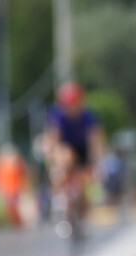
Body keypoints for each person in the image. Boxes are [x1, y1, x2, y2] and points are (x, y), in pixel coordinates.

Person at [44, 83, 106, 237]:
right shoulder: (57, 116)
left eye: (75, 104)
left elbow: (96, 140)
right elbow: (53, 139)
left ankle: (83, 214)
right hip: (66, 149)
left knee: (88, 184)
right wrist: (53, 159)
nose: (72, 108)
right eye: (68, 104)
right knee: (63, 158)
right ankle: (60, 201)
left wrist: (98, 161)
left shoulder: (89, 117)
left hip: (83, 149)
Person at [0, 144, 28, 228]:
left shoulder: (17, 162)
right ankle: (15, 223)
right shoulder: (0, 163)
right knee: (9, 207)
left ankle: (18, 223)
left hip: (14, 188)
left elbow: (22, 175)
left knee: (14, 206)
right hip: (8, 189)